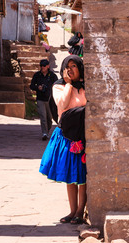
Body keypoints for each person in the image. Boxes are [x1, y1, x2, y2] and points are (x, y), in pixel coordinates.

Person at [39, 55, 87, 224]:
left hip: (84, 136)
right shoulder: (58, 86)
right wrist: (68, 84)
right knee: (71, 176)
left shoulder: (87, 86)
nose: (70, 69)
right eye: (68, 66)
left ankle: (81, 211)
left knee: (83, 177)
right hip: (66, 137)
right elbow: (62, 105)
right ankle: (72, 211)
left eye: (74, 66)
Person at [30, 59, 58, 140]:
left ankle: (47, 131)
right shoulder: (37, 75)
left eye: (44, 66)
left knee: (49, 119)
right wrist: (37, 87)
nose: (42, 67)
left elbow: (57, 85)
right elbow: (31, 86)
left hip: (49, 100)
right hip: (40, 99)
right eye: (41, 66)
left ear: (48, 66)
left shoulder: (52, 75)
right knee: (43, 117)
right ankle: (44, 133)